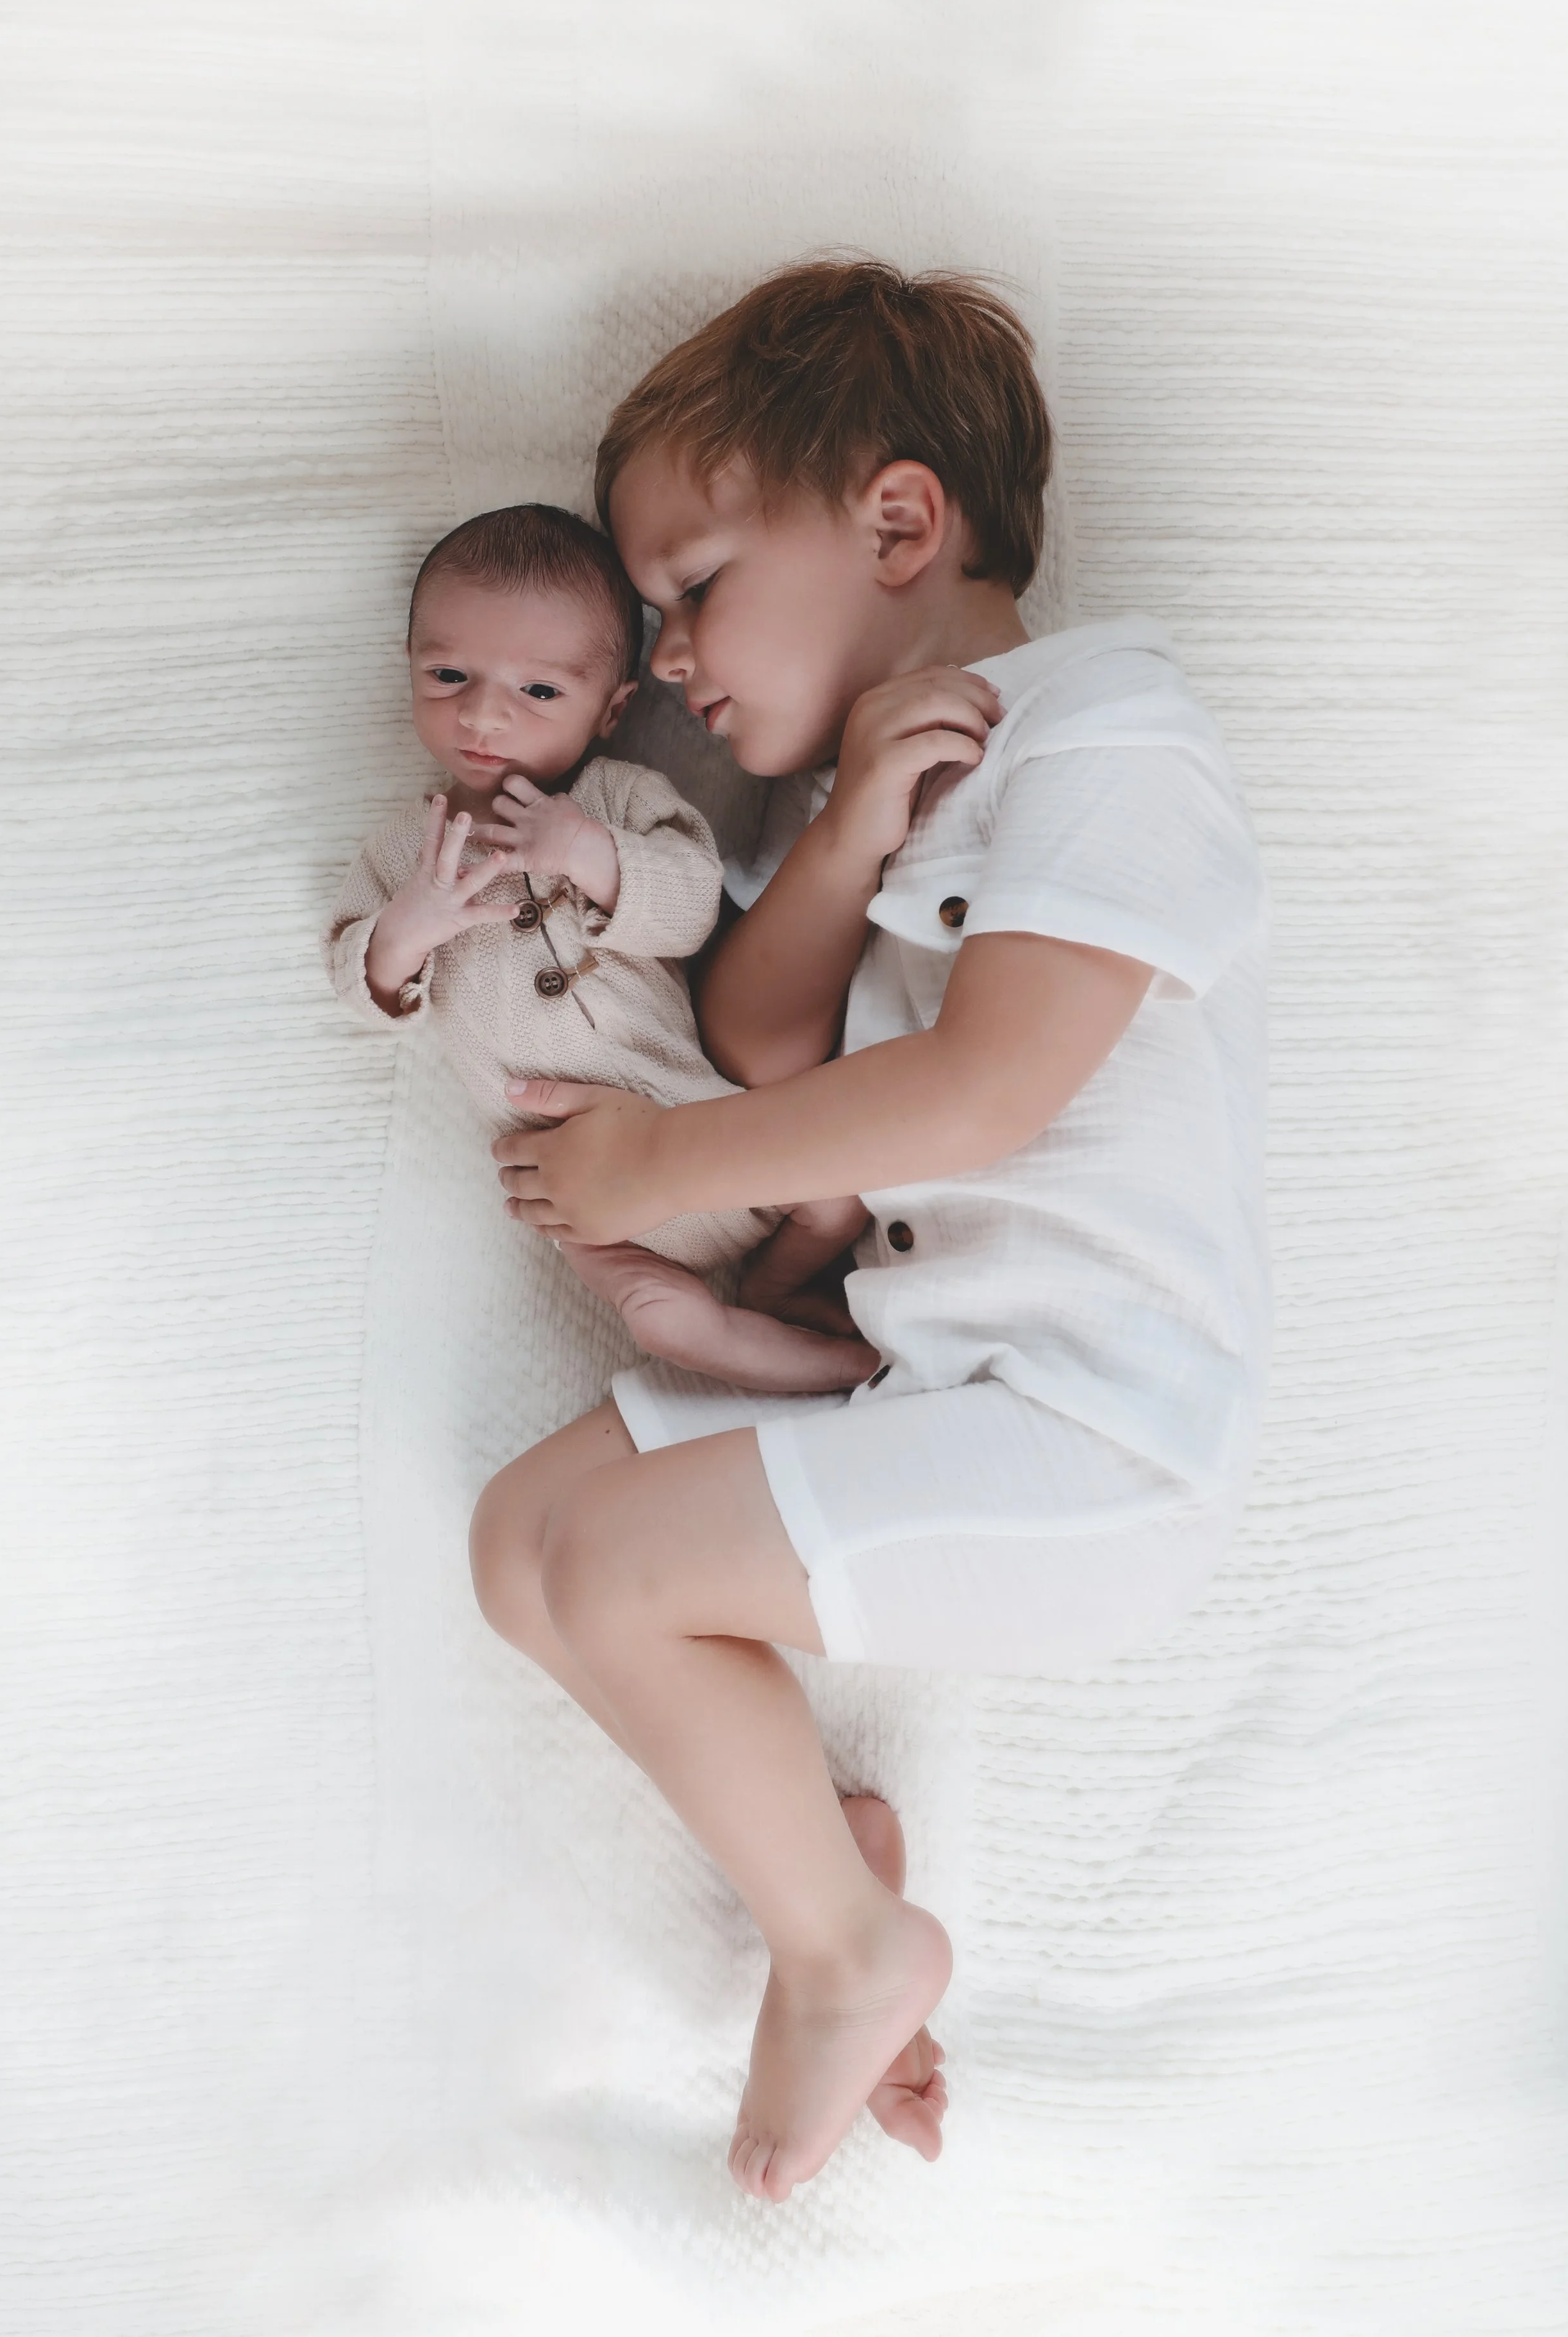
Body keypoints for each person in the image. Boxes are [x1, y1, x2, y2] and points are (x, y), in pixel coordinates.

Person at [468, 261, 1270, 2204]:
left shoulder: (1108, 730)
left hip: (1095, 1439)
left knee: (623, 1563)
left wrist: (663, 1169)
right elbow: (765, 1023)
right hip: (940, 1392)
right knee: (520, 1546)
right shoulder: (852, 795)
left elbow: (989, 1088)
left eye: (692, 586)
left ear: (897, 523)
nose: (662, 659)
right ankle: (824, 1869)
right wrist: (834, 839)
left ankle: (846, 1948)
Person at [326, 502, 874, 1393]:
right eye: (448, 673)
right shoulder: (406, 851)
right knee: (650, 1305)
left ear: (613, 709)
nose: (483, 714)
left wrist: (593, 855)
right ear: (410, 670)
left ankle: (777, 1288)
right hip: (570, 1186)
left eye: (538, 691)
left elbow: (695, 903)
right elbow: (361, 981)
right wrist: (408, 930)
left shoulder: (619, 799)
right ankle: (789, 1354)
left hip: (697, 1118)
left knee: (835, 1194)